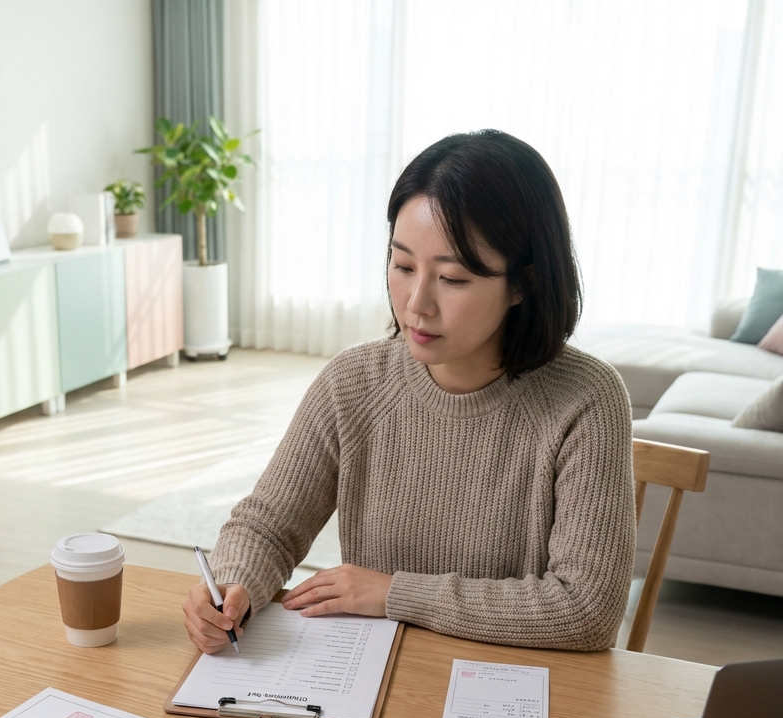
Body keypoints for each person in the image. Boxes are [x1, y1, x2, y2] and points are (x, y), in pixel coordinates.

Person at [183, 130, 636, 655]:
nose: (416, 303)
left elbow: (586, 610)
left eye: (453, 278)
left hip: (507, 690)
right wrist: (231, 585)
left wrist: (396, 594)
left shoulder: (587, 401)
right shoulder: (353, 383)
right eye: (402, 267)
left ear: (524, 283)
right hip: (369, 678)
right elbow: (268, 525)